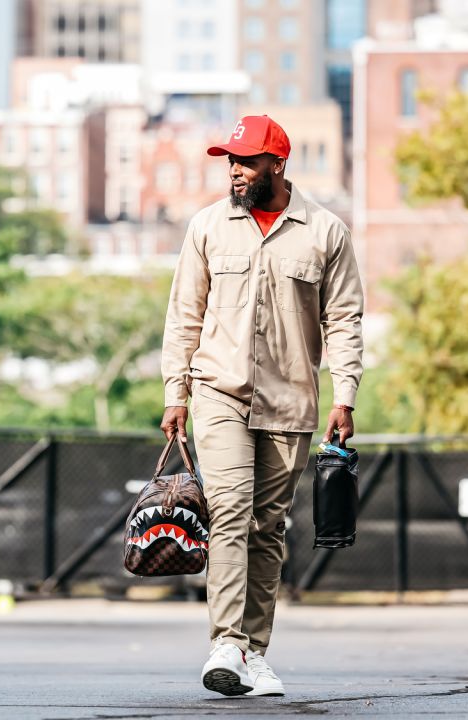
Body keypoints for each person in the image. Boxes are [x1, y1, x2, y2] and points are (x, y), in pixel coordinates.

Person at [159, 115, 364, 697]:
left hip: (292, 400)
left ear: (278, 163)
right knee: (229, 510)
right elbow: (183, 316)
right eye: (230, 160)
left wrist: (344, 395)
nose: (234, 170)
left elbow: (345, 320)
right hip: (219, 391)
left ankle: (254, 650)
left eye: (246, 161)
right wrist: (177, 392)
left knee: (267, 527)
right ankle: (225, 642)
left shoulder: (325, 232)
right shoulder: (207, 227)